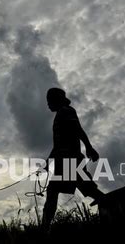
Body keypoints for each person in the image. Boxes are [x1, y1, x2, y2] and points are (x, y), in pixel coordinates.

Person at [41, 87, 104, 230]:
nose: (48, 104)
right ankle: (108, 203)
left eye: (49, 101)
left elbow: (78, 129)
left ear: (57, 100)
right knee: (85, 188)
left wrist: (89, 147)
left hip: (70, 161)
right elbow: (58, 145)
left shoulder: (66, 111)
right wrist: (48, 162)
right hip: (65, 161)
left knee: (53, 190)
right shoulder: (61, 114)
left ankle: (44, 228)